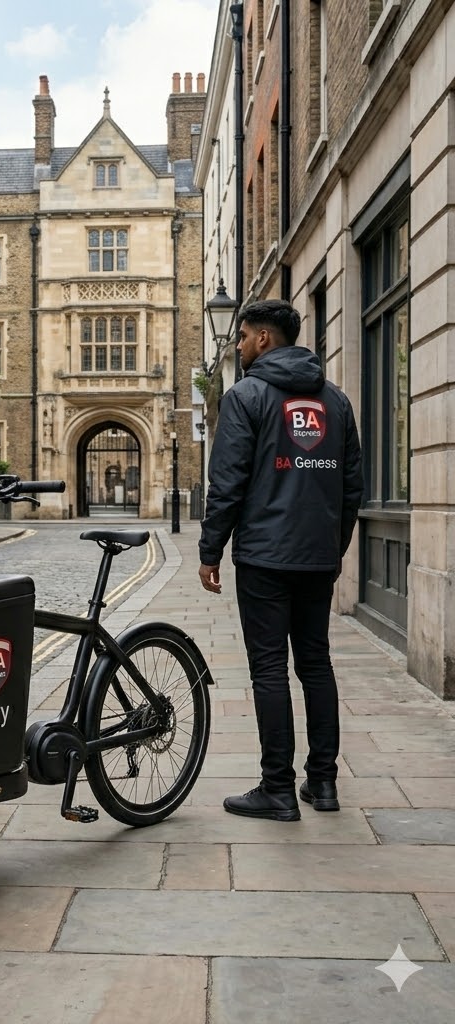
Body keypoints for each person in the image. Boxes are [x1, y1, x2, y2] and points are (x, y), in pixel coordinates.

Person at [198, 299, 362, 821]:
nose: (240, 345)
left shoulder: (245, 397)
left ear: (264, 339)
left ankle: (277, 788)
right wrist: (332, 546)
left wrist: (210, 550)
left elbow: (227, 483)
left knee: (269, 668)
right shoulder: (336, 401)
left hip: (266, 557)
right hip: (317, 556)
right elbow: (352, 485)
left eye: (243, 337)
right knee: (316, 663)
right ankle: (325, 783)